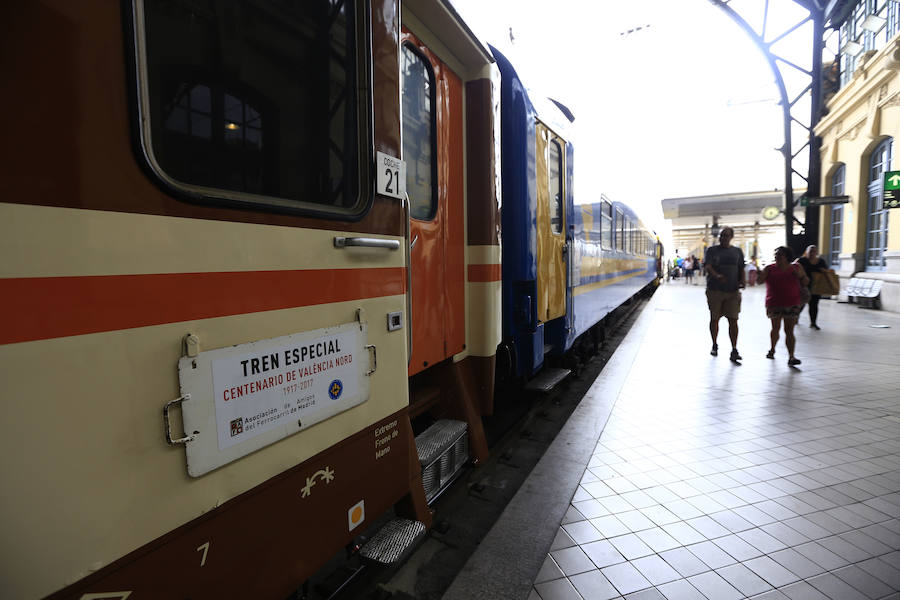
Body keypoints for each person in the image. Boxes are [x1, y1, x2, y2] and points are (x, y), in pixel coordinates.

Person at [758, 246, 809, 366]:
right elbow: (759, 281)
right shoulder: (769, 268)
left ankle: (791, 356)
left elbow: (806, 281)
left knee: (789, 330)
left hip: (792, 302)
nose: (777, 256)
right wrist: (759, 275)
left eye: (780, 254)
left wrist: (800, 276)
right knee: (775, 328)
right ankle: (772, 349)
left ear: (786, 256)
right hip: (774, 303)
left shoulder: (796, 267)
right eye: (775, 254)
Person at [704, 226, 745, 361]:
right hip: (715, 290)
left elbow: (741, 268)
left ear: (731, 237)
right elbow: (708, 266)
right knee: (714, 319)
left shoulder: (737, 252)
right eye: (722, 235)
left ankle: (734, 349)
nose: (724, 237)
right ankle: (714, 344)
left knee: (733, 320)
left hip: (732, 291)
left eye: (727, 235)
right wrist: (717, 276)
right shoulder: (711, 250)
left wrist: (742, 280)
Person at [797, 245, 829, 330]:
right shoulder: (802, 260)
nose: (812, 253)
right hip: (803, 286)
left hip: (816, 286)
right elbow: (794, 268)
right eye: (810, 251)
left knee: (814, 305)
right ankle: (796, 317)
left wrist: (823, 271)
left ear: (817, 252)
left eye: (814, 251)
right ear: (806, 252)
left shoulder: (821, 261)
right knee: (801, 304)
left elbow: (826, 271)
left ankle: (813, 323)